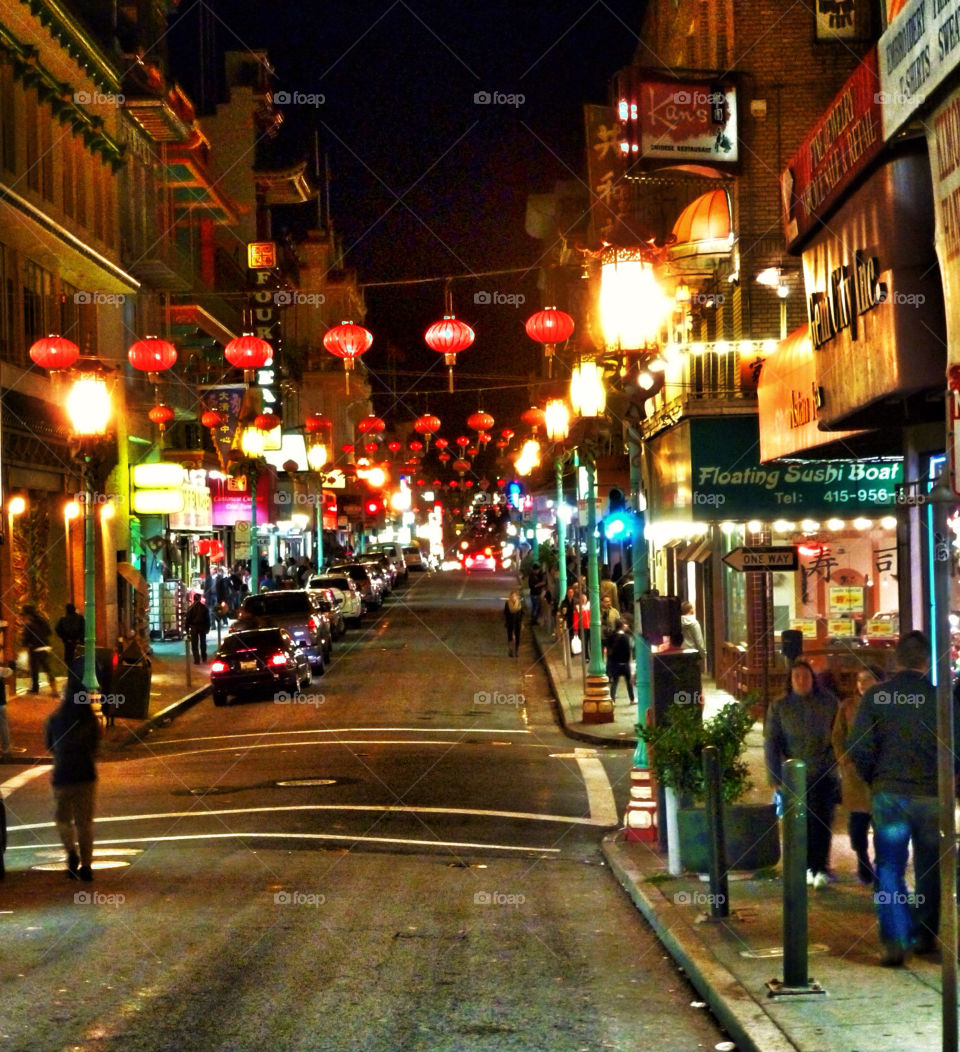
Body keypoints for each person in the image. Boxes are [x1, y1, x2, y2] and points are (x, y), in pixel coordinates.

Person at [850, 632, 953, 965]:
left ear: (896, 660)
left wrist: (876, 779)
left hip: (889, 793)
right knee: (929, 865)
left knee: (890, 866)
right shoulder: (940, 699)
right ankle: (924, 934)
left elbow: (859, 748)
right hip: (930, 794)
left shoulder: (877, 698)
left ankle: (896, 936)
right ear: (927, 660)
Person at [764, 659, 840, 889]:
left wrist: (832, 763)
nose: (801, 680)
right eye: (796, 676)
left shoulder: (828, 702)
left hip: (824, 773)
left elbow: (838, 736)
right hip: (794, 774)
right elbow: (772, 742)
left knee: (823, 821)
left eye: (805, 676)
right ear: (790, 680)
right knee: (799, 822)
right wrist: (774, 777)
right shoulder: (780, 706)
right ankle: (804, 866)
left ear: (812, 679)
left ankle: (821, 866)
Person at [45, 676, 100, 881]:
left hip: (62, 775)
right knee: (84, 822)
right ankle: (86, 866)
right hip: (86, 774)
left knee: (63, 819)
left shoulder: (55, 719)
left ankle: (71, 852)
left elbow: (50, 746)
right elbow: (95, 747)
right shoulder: (90, 720)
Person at [832, 665, 881, 886]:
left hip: (880, 776)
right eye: (859, 680)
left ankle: (883, 865)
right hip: (854, 776)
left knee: (882, 825)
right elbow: (837, 736)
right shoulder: (848, 706)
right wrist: (844, 758)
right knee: (857, 826)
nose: (862, 684)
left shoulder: (886, 706)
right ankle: (863, 861)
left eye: (867, 679)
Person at [20, 605, 56, 696]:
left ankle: (35, 689)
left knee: (34, 670)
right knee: (47, 668)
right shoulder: (42, 620)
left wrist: (25, 645)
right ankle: (53, 688)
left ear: (27, 614)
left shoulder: (29, 623)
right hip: (45, 647)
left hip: (35, 649)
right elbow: (49, 632)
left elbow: (25, 638)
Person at [606, 619, 634, 705]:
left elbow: (608, 650)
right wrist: (628, 661)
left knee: (614, 682)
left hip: (615, 663)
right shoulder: (625, 638)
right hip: (624, 664)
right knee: (629, 682)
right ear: (622, 626)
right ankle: (632, 699)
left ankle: (612, 699)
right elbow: (628, 652)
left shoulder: (611, 636)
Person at [55, 603, 85, 673]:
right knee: (80, 658)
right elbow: (84, 629)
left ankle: (71, 673)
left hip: (68, 643)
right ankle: (79, 673)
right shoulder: (80, 618)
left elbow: (57, 629)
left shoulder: (63, 619)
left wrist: (65, 638)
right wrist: (80, 638)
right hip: (79, 642)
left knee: (69, 659)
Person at [184, 594, 211, 665]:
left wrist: (187, 630)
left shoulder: (190, 608)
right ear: (200, 599)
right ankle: (204, 657)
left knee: (194, 644)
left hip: (194, 627)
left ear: (194, 599)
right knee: (203, 643)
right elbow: (207, 620)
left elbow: (187, 620)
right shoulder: (204, 608)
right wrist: (208, 628)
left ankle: (197, 659)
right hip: (202, 627)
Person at [680, 601, 706, 668]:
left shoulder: (677, 623)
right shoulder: (694, 623)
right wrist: (703, 654)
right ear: (690, 609)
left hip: (680, 652)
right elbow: (699, 640)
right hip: (692, 653)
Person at [504, 590, 523, 658]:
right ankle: (510, 650)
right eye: (512, 596)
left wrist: (521, 623)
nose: (513, 598)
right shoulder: (507, 604)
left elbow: (521, 614)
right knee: (510, 637)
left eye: (514, 596)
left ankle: (516, 651)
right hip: (510, 623)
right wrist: (506, 622)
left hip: (517, 623)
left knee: (517, 637)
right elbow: (505, 613)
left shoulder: (519, 604)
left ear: (516, 597)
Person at [0, 662, 12, 753]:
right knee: (4, 726)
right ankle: (6, 747)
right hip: (2, 704)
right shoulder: (1, 671)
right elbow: (10, 671)